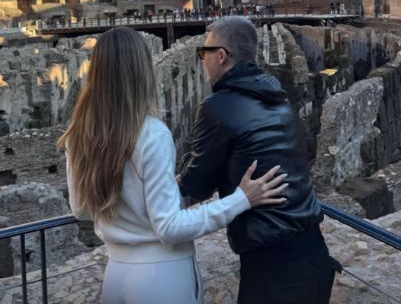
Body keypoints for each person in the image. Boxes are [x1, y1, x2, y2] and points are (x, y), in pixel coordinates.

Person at [58, 27, 288, 304]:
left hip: (116, 274)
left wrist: (153, 189)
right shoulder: (151, 134)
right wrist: (241, 199)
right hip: (161, 276)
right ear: (142, 71)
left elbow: (81, 209)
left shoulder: (77, 135)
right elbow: (169, 227)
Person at [179, 16, 340, 304]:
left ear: (221, 56)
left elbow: (195, 186)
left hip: (273, 270)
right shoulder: (278, 96)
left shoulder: (217, 107)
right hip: (315, 255)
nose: (202, 60)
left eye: (204, 52)